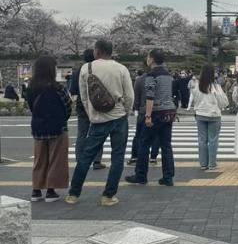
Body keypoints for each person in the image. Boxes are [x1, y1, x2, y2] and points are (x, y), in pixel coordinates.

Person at [65, 39, 134, 207]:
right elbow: (129, 96)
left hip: (97, 119)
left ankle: (73, 194)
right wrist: (126, 111)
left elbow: (83, 96)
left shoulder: (86, 68)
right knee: (117, 157)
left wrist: (91, 114)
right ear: (111, 52)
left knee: (86, 156)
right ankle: (108, 196)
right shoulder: (121, 68)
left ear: (97, 51)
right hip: (118, 117)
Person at [126, 49, 176, 186]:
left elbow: (150, 97)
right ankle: (168, 177)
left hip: (155, 113)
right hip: (168, 112)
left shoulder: (151, 75)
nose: (147, 59)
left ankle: (141, 175)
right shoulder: (168, 75)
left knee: (144, 143)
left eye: (148, 57)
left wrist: (148, 116)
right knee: (166, 145)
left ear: (152, 59)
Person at [26, 56, 72, 203]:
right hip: (58, 128)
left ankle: (36, 190)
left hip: (39, 127)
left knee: (39, 159)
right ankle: (51, 191)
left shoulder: (31, 88)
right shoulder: (59, 88)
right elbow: (68, 106)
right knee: (56, 159)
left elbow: (31, 107)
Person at [69, 49, 107, 171]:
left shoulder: (78, 71)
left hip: (82, 105)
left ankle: (79, 159)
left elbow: (73, 90)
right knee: (98, 133)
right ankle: (97, 160)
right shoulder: (100, 70)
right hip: (97, 104)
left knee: (82, 133)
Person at [189, 63, 228, 171]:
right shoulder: (216, 87)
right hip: (214, 115)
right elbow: (224, 103)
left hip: (200, 114)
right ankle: (212, 164)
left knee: (202, 140)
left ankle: (203, 164)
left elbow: (194, 100)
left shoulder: (197, 86)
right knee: (213, 140)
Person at [128, 70, 160, 167]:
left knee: (139, 135)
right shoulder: (160, 79)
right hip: (157, 110)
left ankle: (135, 156)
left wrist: (136, 109)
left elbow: (136, 97)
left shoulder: (140, 80)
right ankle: (153, 157)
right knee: (156, 135)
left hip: (143, 110)